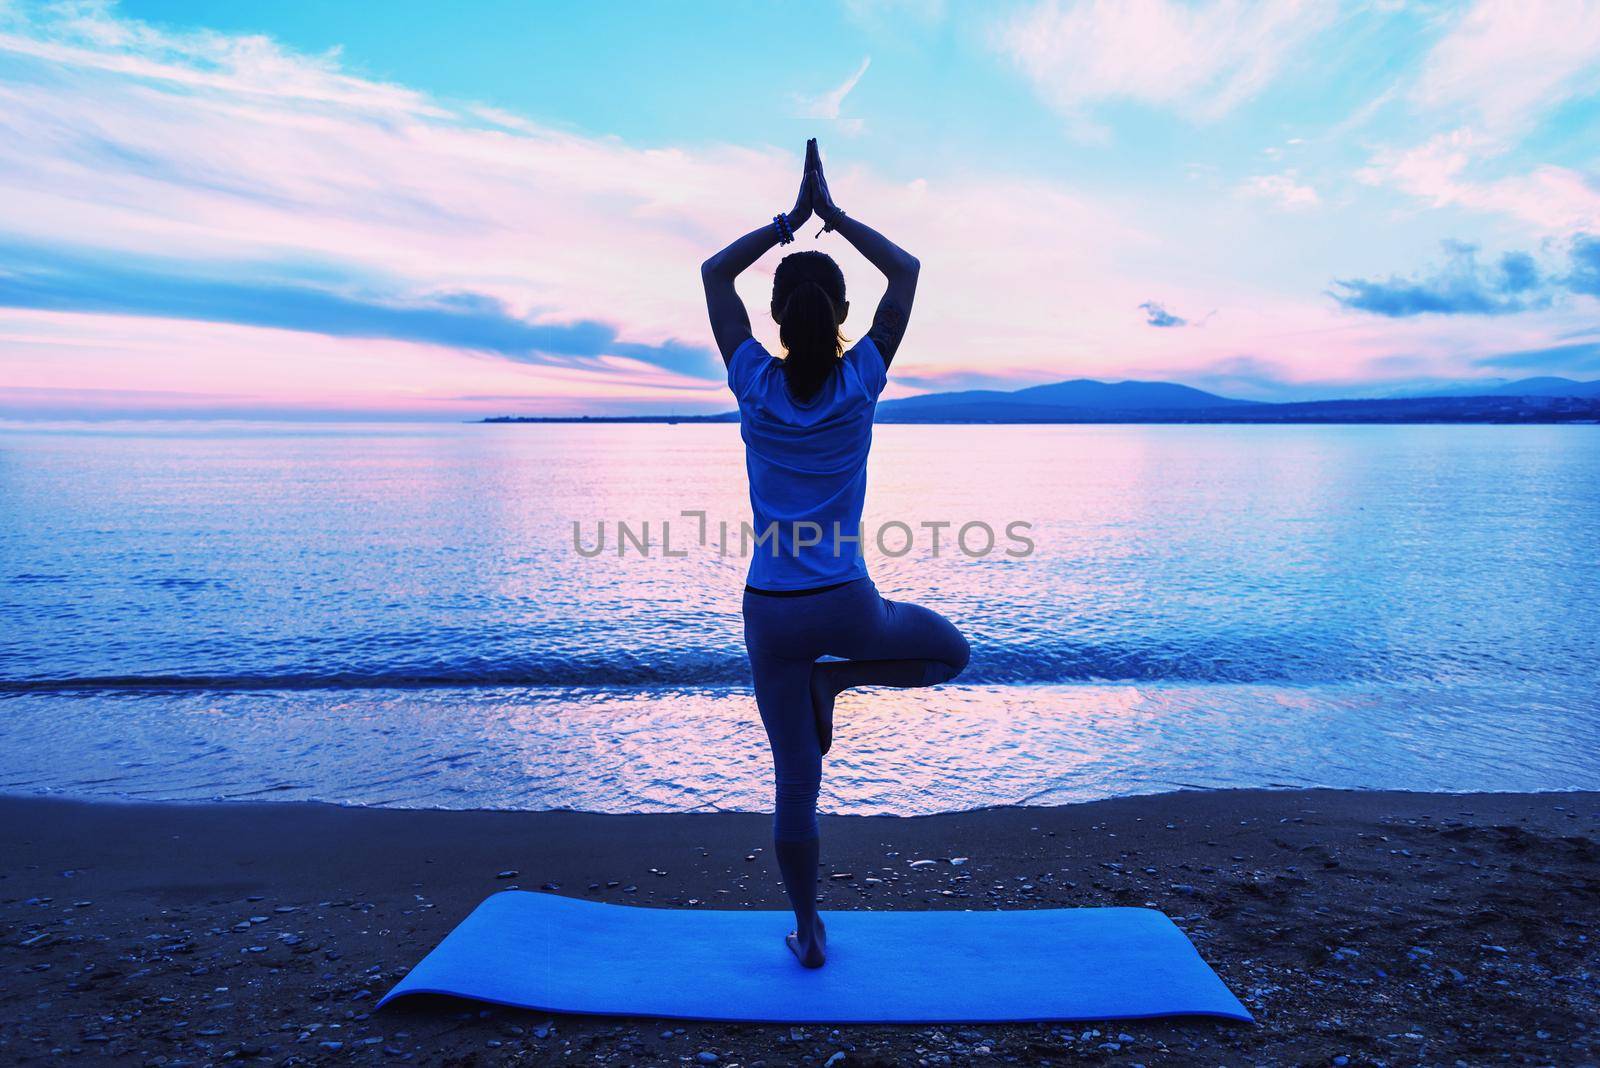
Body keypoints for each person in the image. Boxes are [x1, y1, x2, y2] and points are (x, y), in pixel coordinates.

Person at [699, 139, 970, 968]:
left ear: (777, 316)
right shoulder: (862, 381)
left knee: (793, 785)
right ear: (841, 311)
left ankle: (808, 932)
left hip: (770, 612)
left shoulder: (752, 379)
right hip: (847, 600)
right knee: (951, 653)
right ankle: (842, 675)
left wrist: (787, 222)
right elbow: (910, 274)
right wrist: (835, 215)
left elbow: (714, 277)